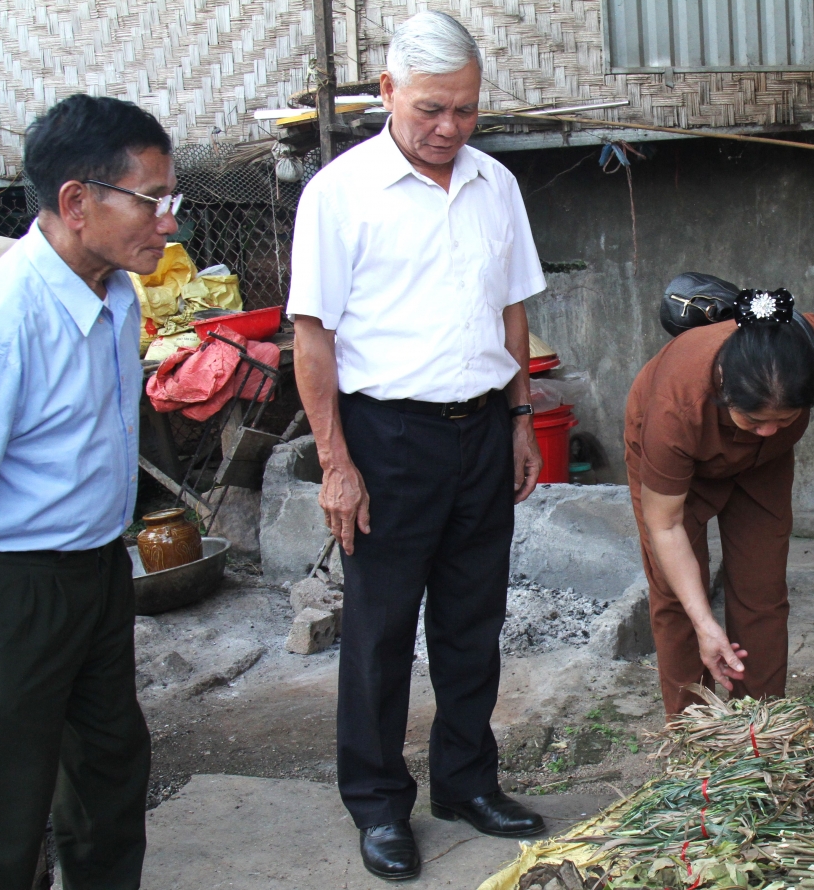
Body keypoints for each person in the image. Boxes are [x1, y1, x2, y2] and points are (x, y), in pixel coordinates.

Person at [288, 11, 549, 882]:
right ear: (388, 93)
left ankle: (468, 784)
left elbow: (513, 308)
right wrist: (336, 462)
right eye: (432, 109)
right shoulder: (339, 193)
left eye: (467, 112)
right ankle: (377, 802)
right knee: (381, 629)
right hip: (386, 437)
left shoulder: (495, 186)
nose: (449, 129)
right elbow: (313, 341)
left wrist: (519, 416)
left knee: (474, 623)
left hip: (482, 428)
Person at [0, 95, 180, 888]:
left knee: (109, 767)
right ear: (77, 203)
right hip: (9, 584)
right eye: (152, 201)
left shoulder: (116, 296)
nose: (168, 223)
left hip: (94, 571)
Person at [625, 290, 814, 716]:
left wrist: (768, 432)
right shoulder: (676, 409)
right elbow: (664, 526)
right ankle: (693, 729)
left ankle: (757, 725)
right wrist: (707, 625)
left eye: (786, 419)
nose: (769, 430)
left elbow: (769, 428)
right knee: (678, 598)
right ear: (724, 388)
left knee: (762, 590)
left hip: (764, 469)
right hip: (684, 457)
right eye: (755, 420)